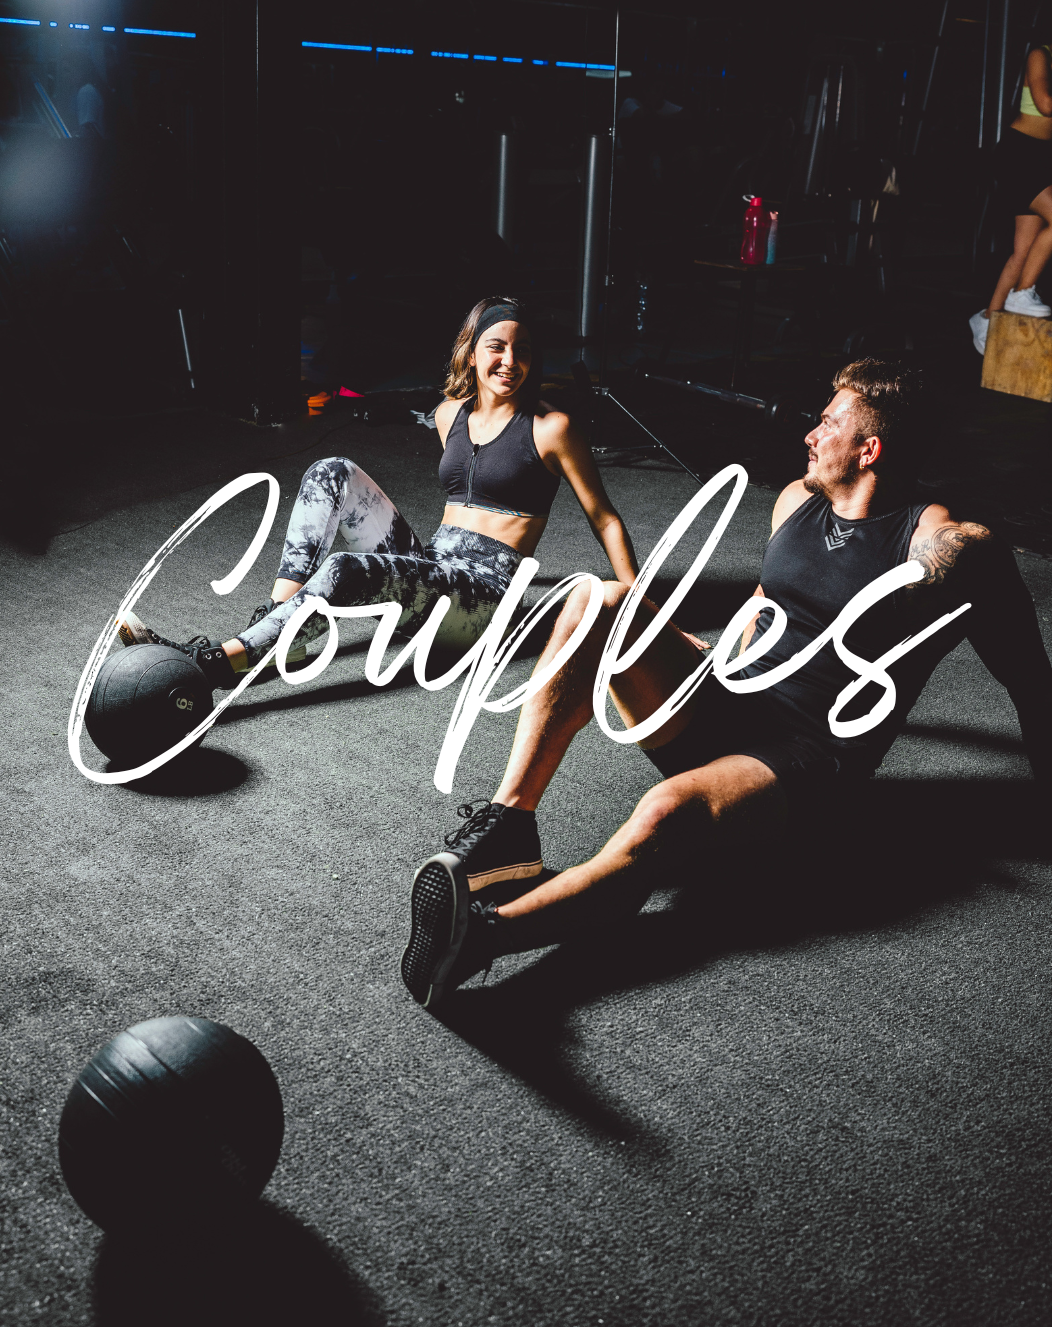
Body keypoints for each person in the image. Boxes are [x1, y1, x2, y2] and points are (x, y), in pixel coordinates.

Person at [400, 358, 1052, 1010]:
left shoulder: (950, 552)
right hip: (729, 704)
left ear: (869, 449)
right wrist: (703, 655)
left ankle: (484, 935)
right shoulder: (798, 501)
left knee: (664, 813)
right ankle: (512, 821)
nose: (810, 435)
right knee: (600, 600)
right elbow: (769, 602)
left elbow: (1030, 679)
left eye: (828, 424)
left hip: (804, 760)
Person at [116, 297, 648, 689]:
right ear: (471, 354)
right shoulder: (450, 415)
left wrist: (643, 611)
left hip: (482, 599)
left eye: (522, 350)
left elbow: (604, 518)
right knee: (331, 470)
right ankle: (277, 625)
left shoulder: (552, 428)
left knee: (346, 569)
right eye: (497, 346)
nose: (510, 360)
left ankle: (214, 663)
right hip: (434, 565)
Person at [970, 41, 1052, 353]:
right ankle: (1022, 293)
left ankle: (987, 319)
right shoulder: (1040, 55)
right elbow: (1045, 104)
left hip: (1041, 157)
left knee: (1024, 250)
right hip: (1019, 154)